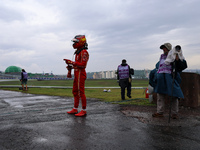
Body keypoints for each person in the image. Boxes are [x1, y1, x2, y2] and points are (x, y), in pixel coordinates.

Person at [152, 43, 187, 119]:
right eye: (163, 49)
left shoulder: (174, 56)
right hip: (161, 78)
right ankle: (160, 112)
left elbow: (182, 66)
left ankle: (174, 113)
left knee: (174, 94)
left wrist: (177, 60)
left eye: (164, 48)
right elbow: (158, 67)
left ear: (168, 49)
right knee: (160, 94)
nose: (163, 50)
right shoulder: (161, 57)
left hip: (171, 78)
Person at [64, 35, 89, 117]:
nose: (74, 44)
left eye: (75, 42)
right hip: (76, 73)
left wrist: (72, 62)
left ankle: (84, 110)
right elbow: (77, 65)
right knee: (75, 91)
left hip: (81, 74)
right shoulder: (78, 52)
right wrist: (70, 66)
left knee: (81, 92)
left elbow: (83, 65)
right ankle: (75, 108)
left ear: (81, 42)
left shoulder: (84, 52)